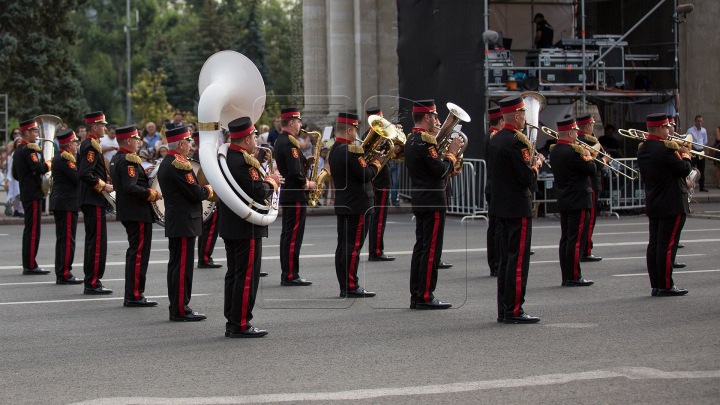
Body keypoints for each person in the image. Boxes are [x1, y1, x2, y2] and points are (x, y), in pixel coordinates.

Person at [219, 117, 284, 338]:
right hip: (246, 227)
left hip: (233, 225)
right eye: (254, 136)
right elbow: (258, 190)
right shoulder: (242, 162)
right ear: (247, 138)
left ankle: (233, 320)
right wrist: (273, 181)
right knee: (247, 276)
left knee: (235, 274)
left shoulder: (231, 157)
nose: (257, 140)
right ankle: (241, 323)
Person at [489, 95, 544, 323]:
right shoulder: (517, 141)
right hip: (517, 206)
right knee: (518, 260)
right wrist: (536, 165)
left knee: (505, 260)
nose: (525, 118)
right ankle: (514, 309)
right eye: (523, 114)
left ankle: (504, 308)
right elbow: (526, 178)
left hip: (500, 205)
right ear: (518, 115)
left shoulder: (496, 138)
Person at [405, 100, 462, 309]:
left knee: (421, 247)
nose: (437, 120)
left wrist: (447, 165)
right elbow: (439, 170)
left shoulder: (411, 139)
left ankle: (417, 294)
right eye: (435, 116)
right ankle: (426, 296)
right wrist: (453, 152)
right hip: (432, 200)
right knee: (431, 250)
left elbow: (434, 169)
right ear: (427, 117)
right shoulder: (426, 142)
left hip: (421, 198)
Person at [157, 125, 215, 321]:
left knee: (176, 266)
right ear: (181, 143)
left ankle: (178, 306)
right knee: (182, 268)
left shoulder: (168, 161)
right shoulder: (179, 164)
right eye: (188, 142)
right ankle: (180, 309)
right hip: (184, 222)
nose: (190, 146)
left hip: (178, 221)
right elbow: (195, 193)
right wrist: (210, 188)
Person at [636, 113, 691, 296]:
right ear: (660, 129)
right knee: (667, 246)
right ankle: (666, 285)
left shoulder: (643, 148)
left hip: (655, 201)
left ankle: (656, 285)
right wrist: (686, 154)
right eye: (668, 127)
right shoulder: (666, 149)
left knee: (655, 245)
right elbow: (684, 169)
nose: (670, 130)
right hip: (672, 202)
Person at [329, 112, 382, 298]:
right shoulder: (352, 151)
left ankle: (345, 284)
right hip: (358, 204)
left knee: (343, 245)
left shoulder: (334, 149)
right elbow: (365, 175)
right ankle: (351, 285)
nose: (356, 133)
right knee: (353, 247)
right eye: (355, 130)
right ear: (350, 129)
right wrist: (377, 162)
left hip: (344, 203)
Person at [109, 125, 162, 307]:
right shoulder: (129, 160)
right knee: (138, 254)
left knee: (135, 252)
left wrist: (143, 174)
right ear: (129, 140)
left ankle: (133, 293)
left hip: (130, 211)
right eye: (136, 138)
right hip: (137, 212)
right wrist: (152, 194)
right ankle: (135, 295)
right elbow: (130, 187)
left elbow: (129, 181)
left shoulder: (118, 158)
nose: (139, 141)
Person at [549, 117, 596, 287]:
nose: (578, 135)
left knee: (566, 239)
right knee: (576, 240)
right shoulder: (574, 152)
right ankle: (574, 276)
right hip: (579, 199)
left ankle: (567, 274)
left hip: (565, 198)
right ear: (570, 132)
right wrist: (588, 155)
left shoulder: (554, 150)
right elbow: (591, 169)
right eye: (576, 132)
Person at [274, 107, 315, 286]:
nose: (300, 125)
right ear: (291, 122)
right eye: (298, 122)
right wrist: (309, 184)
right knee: (293, 236)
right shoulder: (290, 143)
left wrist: (306, 161)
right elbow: (295, 173)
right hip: (295, 194)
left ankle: (289, 273)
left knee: (288, 235)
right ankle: (290, 274)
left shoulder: (282, 140)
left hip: (289, 194)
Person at [77, 111, 114, 294]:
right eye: (102, 125)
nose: (105, 128)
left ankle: (91, 280)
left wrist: (103, 175)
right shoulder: (91, 145)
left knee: (94, 240)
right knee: (97, 242)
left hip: (91, 199)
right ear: (94, 127)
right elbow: (84, 173)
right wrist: (103, 186)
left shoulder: (93, 144)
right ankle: (92, 282)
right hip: (93, 199)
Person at [13, 119, 52, 275]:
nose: (37, 134)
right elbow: (39, 168)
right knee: (33, 230)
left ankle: (29, 263)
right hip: (33, 194)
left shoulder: (18, 150)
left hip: (27, 193)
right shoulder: (28, 150)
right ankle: (30, 265)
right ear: (27, 133)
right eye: (35, 131)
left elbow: (16, 174)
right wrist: (49, 163)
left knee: (30, 229)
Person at [51, 129, 82, 284]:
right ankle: (64, 273)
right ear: (70, 144)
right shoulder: (65, 159)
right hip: (66, 202)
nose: (77, 144)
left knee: (64, 239)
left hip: (63, 202)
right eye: (75, 142)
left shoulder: (63, 157)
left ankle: (62, 271)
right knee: (67, 240)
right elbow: (77, 178)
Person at [365, 107, 395, 262]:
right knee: (379, 217)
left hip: (377, 180)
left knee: (377, 217)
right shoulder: (375, 138)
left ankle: (376, 249)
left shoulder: (372, 136)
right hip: (380, 180)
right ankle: (376, 250)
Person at [575, 113, 606, 262]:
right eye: (592, 125)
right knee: (589, 219)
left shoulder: (578, 139)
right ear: (588, 126)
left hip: (589, 184)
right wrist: (605, 160)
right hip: (591, 184)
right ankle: (586, 251)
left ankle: (584, 249)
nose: (593, 127)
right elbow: (597, 164)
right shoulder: (587, 140)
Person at [192, 131, 221, 269]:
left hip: (203, 194)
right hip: (209, 194)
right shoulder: (205, 156)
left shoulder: (196, 155)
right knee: (211, 228)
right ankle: (204, 258)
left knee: (207, 228)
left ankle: (204, 257)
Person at [483, 106, 503, 277]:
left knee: (494, 226)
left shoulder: (490, 135)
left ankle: (495, 262)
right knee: (497, 227)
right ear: (502, 121)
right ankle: (496, 263)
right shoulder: (495, 137)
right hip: (497, 186)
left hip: (492, 185)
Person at [686, 114, 708, 192]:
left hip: (701, 151)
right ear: (695, 121)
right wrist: (693, 147)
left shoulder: (704, 130)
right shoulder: (690, 130)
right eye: (698, 121)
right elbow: (688, 141)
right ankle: (690, 185)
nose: (699, 123)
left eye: (701, 121)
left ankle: (702, 186)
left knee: (702, 169)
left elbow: (705, 141)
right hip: (693, 151)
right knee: (692, 168)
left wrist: (701, 147)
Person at [5, 134, 23, 217]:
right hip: (14, 178)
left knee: (21, 195)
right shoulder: (13, 154)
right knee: (15, 196)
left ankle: (21, 210)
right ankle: (16, 210)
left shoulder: (24, 152)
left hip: (22, 177)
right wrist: (8, 179)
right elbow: (10, 167)